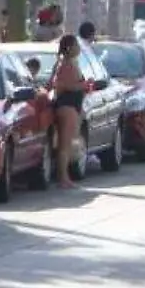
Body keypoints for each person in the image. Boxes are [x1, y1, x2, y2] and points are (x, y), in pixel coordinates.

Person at [50, 35, 85, 188]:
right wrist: (83, 86)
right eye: (76, 45)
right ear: (70, 48)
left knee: (68, 143)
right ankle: (63, 177)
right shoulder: (65, 65)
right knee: (64, 144)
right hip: (67, 107)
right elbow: (62, 85)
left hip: (72, 107)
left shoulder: (70, 63)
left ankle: (65, 176)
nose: (79, 48)